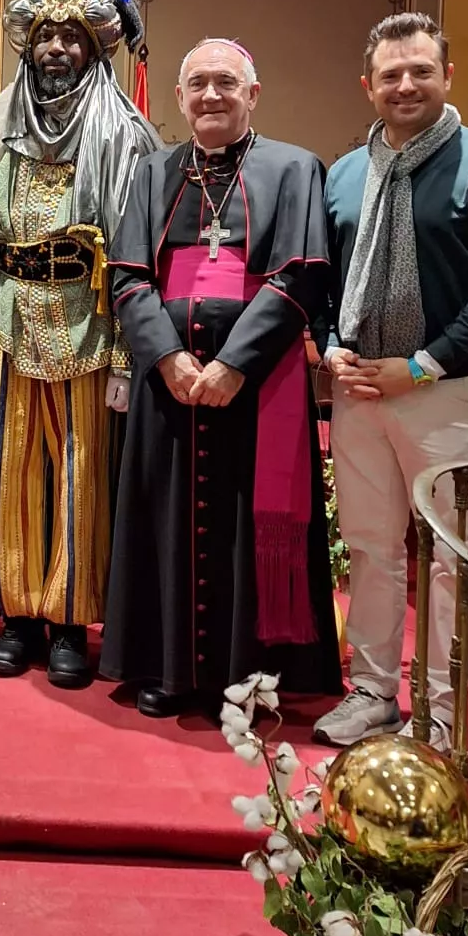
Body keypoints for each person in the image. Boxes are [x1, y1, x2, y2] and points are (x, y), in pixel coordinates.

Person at [100, 39, 341, 715]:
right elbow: (126, 277)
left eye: (226, 84)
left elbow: (301, 273)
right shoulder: (154, 172)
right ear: (179, 99)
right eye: (198, 84)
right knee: (164, 521)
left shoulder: (293, 169)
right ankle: (169, 670)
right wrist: (168, 356)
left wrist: (234, 363)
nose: (211, 95)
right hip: (170, 384)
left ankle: (251, 676)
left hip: (257, 386)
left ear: (252, 95)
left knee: (240, 525)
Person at [320, 13, 468, 746]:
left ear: (448, 76)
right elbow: (327, 279)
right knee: (370, 545)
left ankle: (442, 709)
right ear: (368, 86)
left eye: (420, 70)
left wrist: (422, 365)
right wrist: (332, 346)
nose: (405, 84)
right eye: (391, 74)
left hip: (444, 389)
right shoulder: (347, 172)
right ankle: (375, 691)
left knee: (452, 554)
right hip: (359, 392)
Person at [0, 0, 159, 688]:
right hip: (10, 325)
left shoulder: (125, 138)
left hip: (91, 331)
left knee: (78, 478)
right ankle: (20, 618)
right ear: (28, 48)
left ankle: (69, 622)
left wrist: (130, 360)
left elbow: (137, 257)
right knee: (14, 476)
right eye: (45, 37)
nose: (57, 48)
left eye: (72, 37)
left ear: (94, 49)